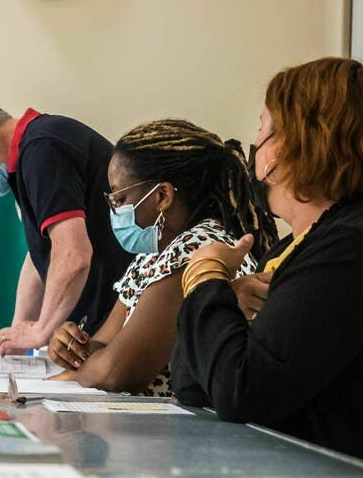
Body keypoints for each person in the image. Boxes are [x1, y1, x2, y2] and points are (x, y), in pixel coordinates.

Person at [171, 57, 363, 458]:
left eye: (263, 127)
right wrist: (229, 306)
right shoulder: (294, 247)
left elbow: (242, 392)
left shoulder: (346, 246)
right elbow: (191, 384)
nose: (255, 145)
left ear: (295, 143)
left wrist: (206, 277)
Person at [46, 120, 277, 394]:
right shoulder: (153, 254)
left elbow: (116, 373)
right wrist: (75, 347)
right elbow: (104, 344)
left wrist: (74, 374)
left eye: (119, 199)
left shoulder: (198, 249)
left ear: (162, 196)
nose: (113, 210)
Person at [0, 95, 133, 354]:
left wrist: (41, 330)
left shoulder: (43, 148)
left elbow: (73, 254)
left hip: (124, 315)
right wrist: (13, 342)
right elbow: (42, 255)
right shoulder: (28, 156)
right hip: (106, 312)